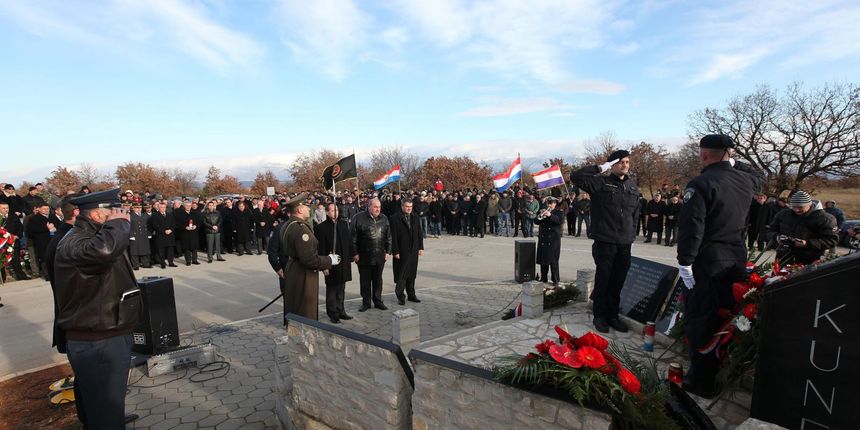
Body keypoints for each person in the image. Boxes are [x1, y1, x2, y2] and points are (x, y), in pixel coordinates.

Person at [676, 134, 765, 399]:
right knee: (725, 318)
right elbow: (761, 176)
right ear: (730, 153)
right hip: (736, 256)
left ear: (704, 155)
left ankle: (700, 381)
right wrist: (734, 161)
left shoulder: (701, 183)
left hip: (709, 259)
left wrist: (685, 262)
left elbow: (693, 228)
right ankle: (714, 373)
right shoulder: (746, 179)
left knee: (702, 319)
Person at [54, 188, 141, 429]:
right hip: (98, 341)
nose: (119, 215)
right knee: (106, 416)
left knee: (105, 409)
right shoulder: (76, 242)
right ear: (95, 215)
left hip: (106, 334)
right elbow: (103, 251)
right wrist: (119, 224)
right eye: (111, 212)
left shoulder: (89, 237)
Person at [570, 149, 640, 334]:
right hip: (605, 241)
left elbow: (635, 214)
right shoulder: (601, 183)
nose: (625, 165)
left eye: (627, 162)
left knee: (618, 282)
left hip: (624, 243)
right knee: (604, 280)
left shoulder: (632, 186)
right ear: (612, 165)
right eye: (620, 162)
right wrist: (600, 167)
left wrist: (631, 235)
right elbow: (576, 177)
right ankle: (600, 316)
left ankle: (613, 316)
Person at [279, 193, 338, 322]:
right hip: (303, 273)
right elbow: (308, 259)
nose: (309, 209)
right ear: (300, 209)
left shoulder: (288, 225)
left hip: (293, 268)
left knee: (294, 306)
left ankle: (295, 333)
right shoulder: (301, 229)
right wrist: (329, 260)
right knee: (305, 310)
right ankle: (305, 337)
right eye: (306, 206)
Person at [767, 191, 838, 265]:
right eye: (794, 207)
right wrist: (777, 237)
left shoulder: (825, 219)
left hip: (810, 261)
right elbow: (770, 231)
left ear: (810, 205)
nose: (797, 210)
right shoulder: (783, 214)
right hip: (783, 257)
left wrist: (807, 243)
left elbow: (832, 240)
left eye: (800, 207)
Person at [314, 202, 354, 323]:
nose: (335, 213)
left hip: (344, 261)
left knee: (341, 288)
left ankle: (341, 310)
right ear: (327, 212)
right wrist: (324, 266)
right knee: (332, 289)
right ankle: (332, 313)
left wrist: (352, 255)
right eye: (332, 210)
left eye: (336, 210)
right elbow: (320, 248)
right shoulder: (321, 227)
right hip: (330, 263)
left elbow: (349, 241)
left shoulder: (343, 224)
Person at [351, 198, 392, 312]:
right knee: (365, 281)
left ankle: (378, 301)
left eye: (379, 207)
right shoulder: (358, 218)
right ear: (369, 207)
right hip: (364, 256)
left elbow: (389, 236)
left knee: (378, 280)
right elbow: (352, 238)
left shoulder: (384, 218)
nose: (378, 209)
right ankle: (366, 302)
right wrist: (355, 253)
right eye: (375, 207)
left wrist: (388, 251)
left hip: (380, 255)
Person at [390, 199, 424, 305]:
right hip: (401, 250)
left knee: (412, 274)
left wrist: (420, 247)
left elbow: (419, 233)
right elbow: (393, 236)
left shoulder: (415, 217)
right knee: (401, 274)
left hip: (413, 249)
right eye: (407, 206)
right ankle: (400, 296)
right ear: (402, 206)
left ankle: (411, 295)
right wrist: (395, 251)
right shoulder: (395, 218)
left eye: (410, 206)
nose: (409, 208)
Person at [535, 197, 563, 286]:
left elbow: (559, 221)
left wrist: (550, 215)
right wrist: (540, 215)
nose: (549, 205)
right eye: (548, 203)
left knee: (553, 261)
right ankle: (544, 278)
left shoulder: (558, 212)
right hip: (543, 239)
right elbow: (536, 222)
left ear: (555, 204)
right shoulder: (543, 211)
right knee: (543, 260)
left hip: (553, 240)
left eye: (551, 203)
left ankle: (555, 279)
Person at [0, 201, 29, 280]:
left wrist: (17, 235)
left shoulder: (13, 216)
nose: (6, 210)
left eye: (7, 208)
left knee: (15, 259)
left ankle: (21, 276)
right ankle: (2, 278)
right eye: (3, 208)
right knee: (1, 260)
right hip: (1, 243)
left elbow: (20, 227)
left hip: (13, 241)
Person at [149, 201, 177, 268]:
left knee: (170, 250)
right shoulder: (154, 216)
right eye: (161, 207)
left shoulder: (170, 215)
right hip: (161, 235)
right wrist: (164, 231)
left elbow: (173, 224)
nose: (163, 208)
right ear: (158, 208)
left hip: (170, 235)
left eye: (164, 207)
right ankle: (162, 263)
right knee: (161, 250)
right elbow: (155, 225)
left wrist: (170, 230)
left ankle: (171, 262)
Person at [128, 203, 152, 269]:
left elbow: (148, 225)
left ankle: (145, 263)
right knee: (134, 250)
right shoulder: (130, 215)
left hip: (144, 234)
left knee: (144, 249)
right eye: (137, 208)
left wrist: (149, 233)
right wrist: (131, 235)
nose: (139, 209)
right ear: (134, 208)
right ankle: (136, 265)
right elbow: (128, 226)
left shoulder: (144, 215)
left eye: (140, 208)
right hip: (135, 235)